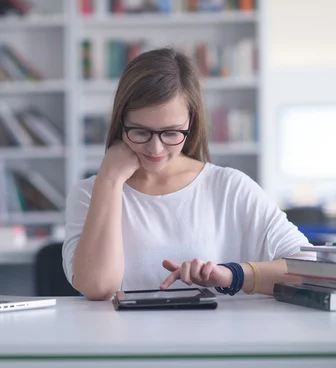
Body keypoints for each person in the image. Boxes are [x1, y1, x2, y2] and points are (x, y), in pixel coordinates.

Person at [62, 47, 311, 301]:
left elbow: (311, 269)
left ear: (191, 124)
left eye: (171, 132)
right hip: (123, 341)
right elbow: (98, 287)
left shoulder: (229, 188)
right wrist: (110, 180)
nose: (155, 148)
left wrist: (232, 275)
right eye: (140, 131)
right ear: (120, 121)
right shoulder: (90, 193)